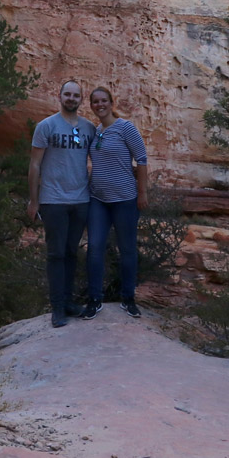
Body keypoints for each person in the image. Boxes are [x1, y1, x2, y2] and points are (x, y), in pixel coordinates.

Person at [27, 80, 97, 327]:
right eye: (67, 94)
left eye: (75, 95)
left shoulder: (89, 128)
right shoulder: (46, 126)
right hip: (53, 200)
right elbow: (35, 164)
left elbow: (101, 159)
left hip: (80, 200)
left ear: (81, 99)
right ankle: (56, 308)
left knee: (71, 252)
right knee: (56, 254)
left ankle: (68, 302)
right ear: (59, 96)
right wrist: (34, 201)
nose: (71, 98)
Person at [85, 85, 149, 318]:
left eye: (104, 101)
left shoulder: (125, 128)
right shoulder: (95, 131)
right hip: (98, 200)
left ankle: (128, 298)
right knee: (94, 248)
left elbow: (141, 160)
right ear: (91, 106)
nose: (100, 105)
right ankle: (94, 300)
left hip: (125, 199)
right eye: (95, 102)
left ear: (112, 103)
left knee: (128, 249)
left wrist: (142, 193)